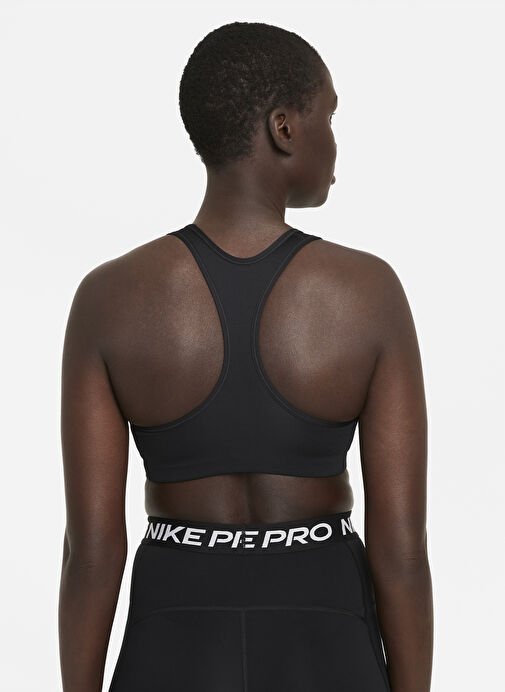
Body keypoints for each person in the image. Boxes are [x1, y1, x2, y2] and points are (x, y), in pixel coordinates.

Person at [58, 21, 433, 692]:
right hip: (325, 628)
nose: (335, 141)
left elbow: (91, 552)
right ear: (284, 128)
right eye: (329, 117)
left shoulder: (109, 298)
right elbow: (400, 549)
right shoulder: (366, 293)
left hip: (172, 631)